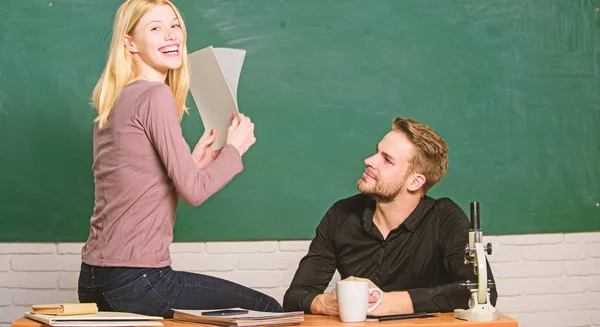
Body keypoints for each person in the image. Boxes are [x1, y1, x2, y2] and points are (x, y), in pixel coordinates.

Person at [77, 0, 282, 317]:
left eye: (174, 25)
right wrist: (234, 150)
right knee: (268, 309)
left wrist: (194, 165)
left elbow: (138, 186)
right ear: (130, 42)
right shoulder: (154, 96)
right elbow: (195, 193)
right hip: (138, 279)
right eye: (155, 28)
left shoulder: (116, 99)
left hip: (95, 278)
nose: (171, 35)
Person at [283, 117, 498, 316]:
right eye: (377, 151)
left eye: (387, 159)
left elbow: (482, 292)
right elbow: (295, 297)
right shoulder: (341, 214)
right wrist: (325, 303)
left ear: (415, 182)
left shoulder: (445, 218)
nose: (369, 160)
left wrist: (389, 302)